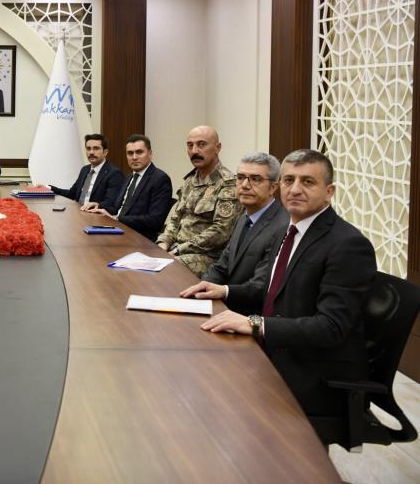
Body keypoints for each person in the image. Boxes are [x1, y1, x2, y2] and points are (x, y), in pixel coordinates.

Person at [181, 150, 375, 418]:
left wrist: (255, 324)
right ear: (279, 186)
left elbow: (331, 327)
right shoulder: (287, 230)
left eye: (307, 182)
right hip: (280, 348)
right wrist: (223, 290)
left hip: (316, 372)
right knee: (193, 368)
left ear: (329, 191)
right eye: (288, 180)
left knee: (211, 399)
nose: (295, 189)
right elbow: (270, 290)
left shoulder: (348, 245)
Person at [199, 152, 290, 313]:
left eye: (255, 179)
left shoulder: (283, 227)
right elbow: (222, 265)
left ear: (273, 188)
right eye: (240, 177)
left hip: (251, 317)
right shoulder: (244, 216)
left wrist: (224, 291)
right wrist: (202, 288)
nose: (245, 185)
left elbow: (260, 287)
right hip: (225, 307)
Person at [156, 125, 241, 276]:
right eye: (190, 145)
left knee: (165, 272)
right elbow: (176, 218)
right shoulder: (190, 180)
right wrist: (164, 243)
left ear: (217, 147)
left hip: (208, 256)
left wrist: (178, 250)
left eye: (202, 144)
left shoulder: (228, 184)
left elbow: (220, 232)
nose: (195, 151)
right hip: (176, 250)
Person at [84, 134, 172, 242]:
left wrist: (117, 219)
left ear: (150, 154)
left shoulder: (160, 179)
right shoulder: (129, 177)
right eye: (130, 153)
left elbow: (155, 220)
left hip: (139, 239)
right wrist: (98, 206)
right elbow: (118, 208)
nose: (134, 157)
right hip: (118, 230)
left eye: (139, 152)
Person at [42, 133, 124, 209]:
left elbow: (110, 202)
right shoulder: (85, 169)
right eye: (88, 149)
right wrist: (49, 188)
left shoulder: (114, 173)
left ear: (105, 152)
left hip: (97, 217)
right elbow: (72, 194)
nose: (91, 152)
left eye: (96, 148)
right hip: (79, 212)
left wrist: (97, 205)